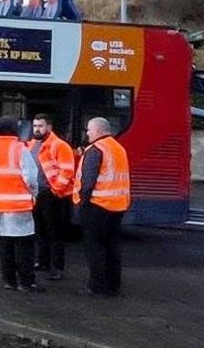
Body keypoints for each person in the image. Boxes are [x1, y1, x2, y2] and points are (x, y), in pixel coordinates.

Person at [0, 116, 42, 292]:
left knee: (6, 245)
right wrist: (33, 194)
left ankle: (9, 281)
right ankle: (26, 282)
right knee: (24, 246)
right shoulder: (19, 149)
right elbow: (30, 177)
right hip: (20, 205)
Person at [74, 117, 131, 297]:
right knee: (112, 247)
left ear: (98, 130)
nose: (87, 133)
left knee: (95, 248)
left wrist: (81, 205)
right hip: (118, 205)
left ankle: (96, 286)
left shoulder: (95, 150)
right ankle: (113, 285)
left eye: (89, 130)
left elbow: (88, 182)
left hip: (98, 206)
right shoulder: (118, 148)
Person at [27, 113, 76, 281]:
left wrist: (56, 190)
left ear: (49, 127)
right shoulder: (32, 145)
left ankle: (57, 268)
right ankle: (43, 262)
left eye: (40, 126)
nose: (37, 129)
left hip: (53, 195)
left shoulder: (60, 145)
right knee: (40, 230)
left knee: (55, 233)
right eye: (34, 126)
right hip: (37, 193)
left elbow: (67, 171)